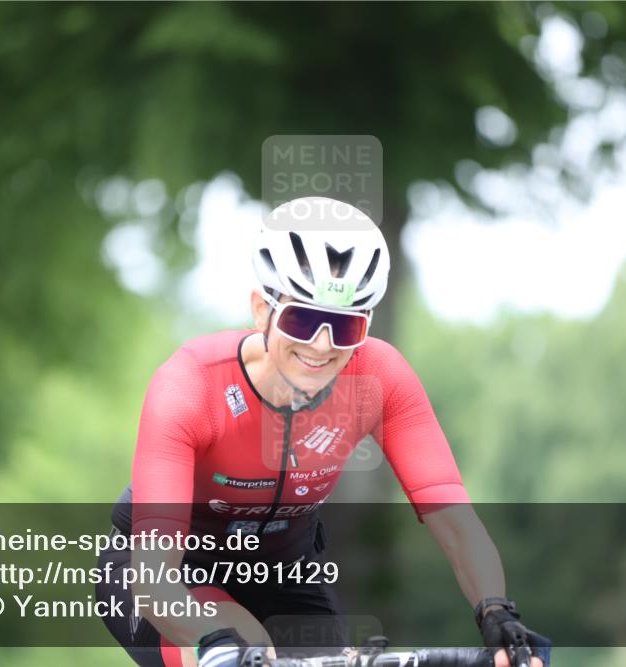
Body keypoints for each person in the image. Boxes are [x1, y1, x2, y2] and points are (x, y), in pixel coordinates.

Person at [97, 197, 551, 667]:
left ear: (366, 325)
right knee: (246, 653)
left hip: (285, 573)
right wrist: (214, 640)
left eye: (343, 325)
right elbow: (153, 580)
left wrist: (496, 612)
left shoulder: (380, 380)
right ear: (261, 310)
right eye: (303, 319)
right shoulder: (192, 387)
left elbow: (455, 522)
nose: (321, 345)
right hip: (165, 575)